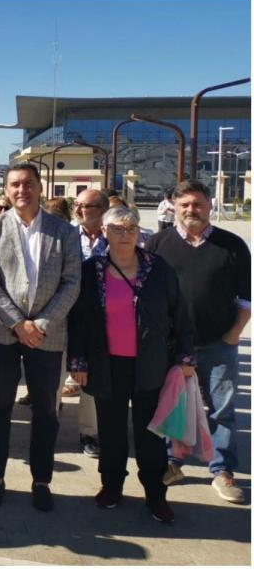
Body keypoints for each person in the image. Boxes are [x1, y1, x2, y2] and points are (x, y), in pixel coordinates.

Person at [67, 206, 195, 524]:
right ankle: (111, 486)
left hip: (151, 364)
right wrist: (78, 361)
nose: (124, 235)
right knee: (111, 432)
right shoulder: (91, 270)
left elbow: (180, 314)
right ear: (104, 232)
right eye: (117, 229)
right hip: (105, 364)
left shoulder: (158, 268)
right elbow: (78, 321)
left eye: (130, 229)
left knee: (150, 434)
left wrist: (185, 357)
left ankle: (155, 494)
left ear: (139, 232)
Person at [0, 163, 81, 512]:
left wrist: (42, 324)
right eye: (15, 185)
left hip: (47, 335)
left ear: (40, 187)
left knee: (46, 411)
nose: (22, 190)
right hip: (1, 331)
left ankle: (41, 481)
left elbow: (71, 283)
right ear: (5, 191)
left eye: (28, 183)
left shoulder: (64, 231)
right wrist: (18, 323)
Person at [147, 179, 251, 505]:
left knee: (222, 410)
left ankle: (222, 470)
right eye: (185, 204)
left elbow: (246, 298)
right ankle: (172, 461)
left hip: (218, 343)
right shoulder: (157, 244)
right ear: (173, 207)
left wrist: (234, 333)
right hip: (170, 346)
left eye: (198, 204)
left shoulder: (232, 245)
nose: (191, 210)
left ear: (209, 205)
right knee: (172, 406)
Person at [61, 188, 110, 457]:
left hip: (98, 320)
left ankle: (89, 433)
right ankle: (47, 425)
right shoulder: (65, 235)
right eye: (77, 205)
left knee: (91, 379)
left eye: (86, 206)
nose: (79, 210)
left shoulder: (115, 237)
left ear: (102, 210)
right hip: (62, 313)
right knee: (53, 376)